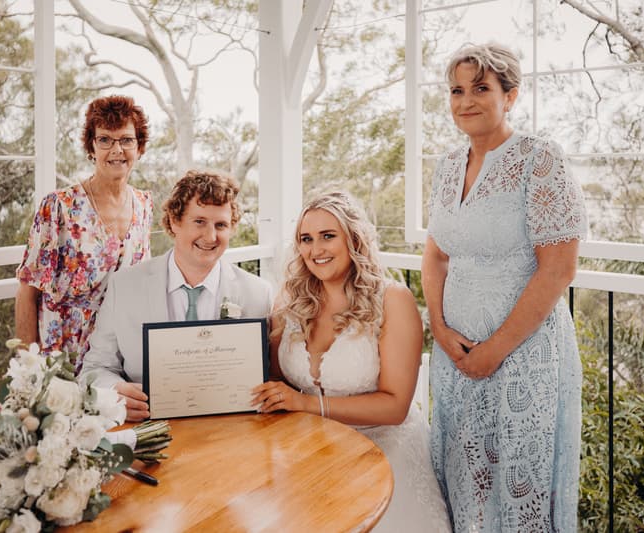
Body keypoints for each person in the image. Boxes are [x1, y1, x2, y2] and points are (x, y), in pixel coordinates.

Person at [422, 42, 588, 532]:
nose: (465, 100)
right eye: (456, 90)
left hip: (522, 357)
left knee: (520, 487)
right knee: (464, 479)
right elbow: (435, 255)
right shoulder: (447, 166)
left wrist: (494, 350)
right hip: (456, 355)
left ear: (510, 96)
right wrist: (439, 326)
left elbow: (558, 270)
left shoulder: (541, 160)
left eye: (480, 88)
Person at [252, 192, 451, 532]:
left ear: (353, 238)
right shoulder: (289, 298)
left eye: (328, 236)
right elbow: (275, 378)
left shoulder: (392, 300)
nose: (316, 250)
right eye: (306, 239)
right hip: (309, 447)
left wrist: (305, 403)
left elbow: (395, 407)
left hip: (383, 449)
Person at [80, 170, 273, 422]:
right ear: (174, 221)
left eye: (221, 225)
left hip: (232, 431)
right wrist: (113, 394)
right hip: (150, 428)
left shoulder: (258, 293)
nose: (211, 236)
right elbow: (95, 369)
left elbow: (269, 380)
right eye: (199, 222)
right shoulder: (125, 286)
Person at [15, 95, 155, 370]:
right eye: (105, 140)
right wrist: (28, 368)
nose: (117, 150)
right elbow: (27, 289)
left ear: (139, 147)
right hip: (64, 352)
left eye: (126, 140)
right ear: (91, 146)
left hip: (120, 353)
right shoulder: (59, 207)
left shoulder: (144, 205)